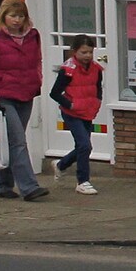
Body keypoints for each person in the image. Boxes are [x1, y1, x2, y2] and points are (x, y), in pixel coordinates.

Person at [0, 0, 46, 200]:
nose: (17, 20)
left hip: (26, 93)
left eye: (20, 16)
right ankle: (29, 187)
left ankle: (3, 186)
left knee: (10, 141)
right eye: (13, 16)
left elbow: (37, 60)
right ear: (4, 16)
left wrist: (38, 80)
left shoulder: (32, 36)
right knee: (18, 141)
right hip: (3, 96)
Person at [49, 35, 103, 194]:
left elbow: (98, 87)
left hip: (88, 111)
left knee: (83, 146)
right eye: (83, 52)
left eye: (90, 52)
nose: (87, 56)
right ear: (75, 51)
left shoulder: (96, 69)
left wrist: (97, 101)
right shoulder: (68, 70)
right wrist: (70, 104)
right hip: (71, 113)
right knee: (85, 145)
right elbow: (55, 93)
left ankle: (61, 165)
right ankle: (83, 181)